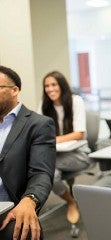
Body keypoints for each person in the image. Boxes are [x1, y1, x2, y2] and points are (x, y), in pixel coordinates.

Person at [0, 65, 56, 240]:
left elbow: (41, 173)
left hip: (10, 206)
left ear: (14, 90)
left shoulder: (38, 124)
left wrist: (29, 199)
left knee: (24, 231)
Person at [37, 71, 91, 226]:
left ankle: (71, 203)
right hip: (55, 155)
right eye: (47, 86)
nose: (50, 89)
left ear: (62, 85)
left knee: (45, 170)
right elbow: (39, 131)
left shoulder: (76, 101)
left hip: (79, 154)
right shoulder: (44, 104)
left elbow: (79, 134)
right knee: (50, 174)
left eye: (54, 84)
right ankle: (71, 201)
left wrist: (53, 140)